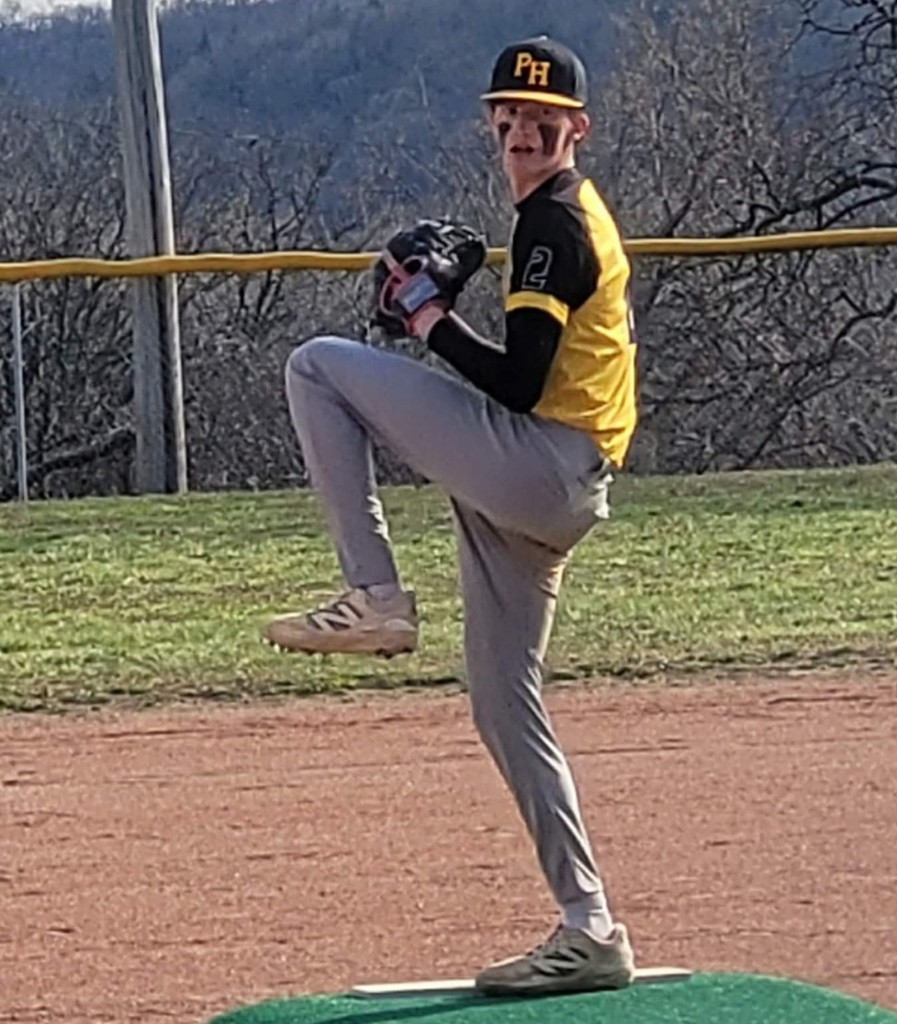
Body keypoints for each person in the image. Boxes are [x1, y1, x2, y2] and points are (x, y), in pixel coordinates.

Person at [264, 35, 639, 996]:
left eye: (542, 118)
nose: (523, 130)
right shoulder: (559, 214)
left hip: (540, 464)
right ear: (493, 123)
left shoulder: (555, 221)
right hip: (550, 484)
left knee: (317, 367)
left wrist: (431, 319)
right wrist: (439, 318)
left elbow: (517, 383)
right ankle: (590, 928)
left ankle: (377, 594)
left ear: (577, 129)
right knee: (504, 705)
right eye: (510, 115)